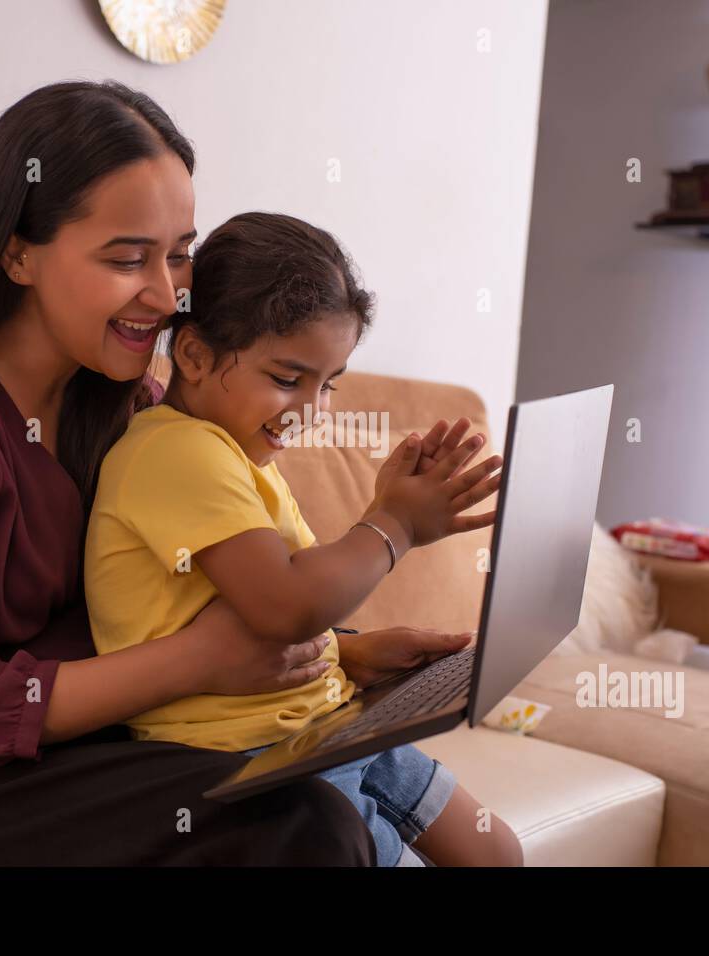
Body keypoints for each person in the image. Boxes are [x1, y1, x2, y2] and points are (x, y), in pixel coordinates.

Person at [0, 80, 476, 866]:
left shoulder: (134, 406)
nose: (169, 295)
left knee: (309, 778)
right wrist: (201, 660)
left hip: (69, 752)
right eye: (127, 257)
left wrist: (338, 651)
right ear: (17, 252)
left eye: (178, 256)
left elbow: (184, 595)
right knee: (304, 823)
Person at [84, 212, 523, 867]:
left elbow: (290, 608)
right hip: (250, 753)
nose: (309, 411)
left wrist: (355, 650)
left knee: (497, 852)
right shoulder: (173, 452)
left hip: (326, 724)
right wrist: (394, 525)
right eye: (288, 380)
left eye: (329, 384)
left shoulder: (240, 457)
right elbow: (286, 604)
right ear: (195, 355)